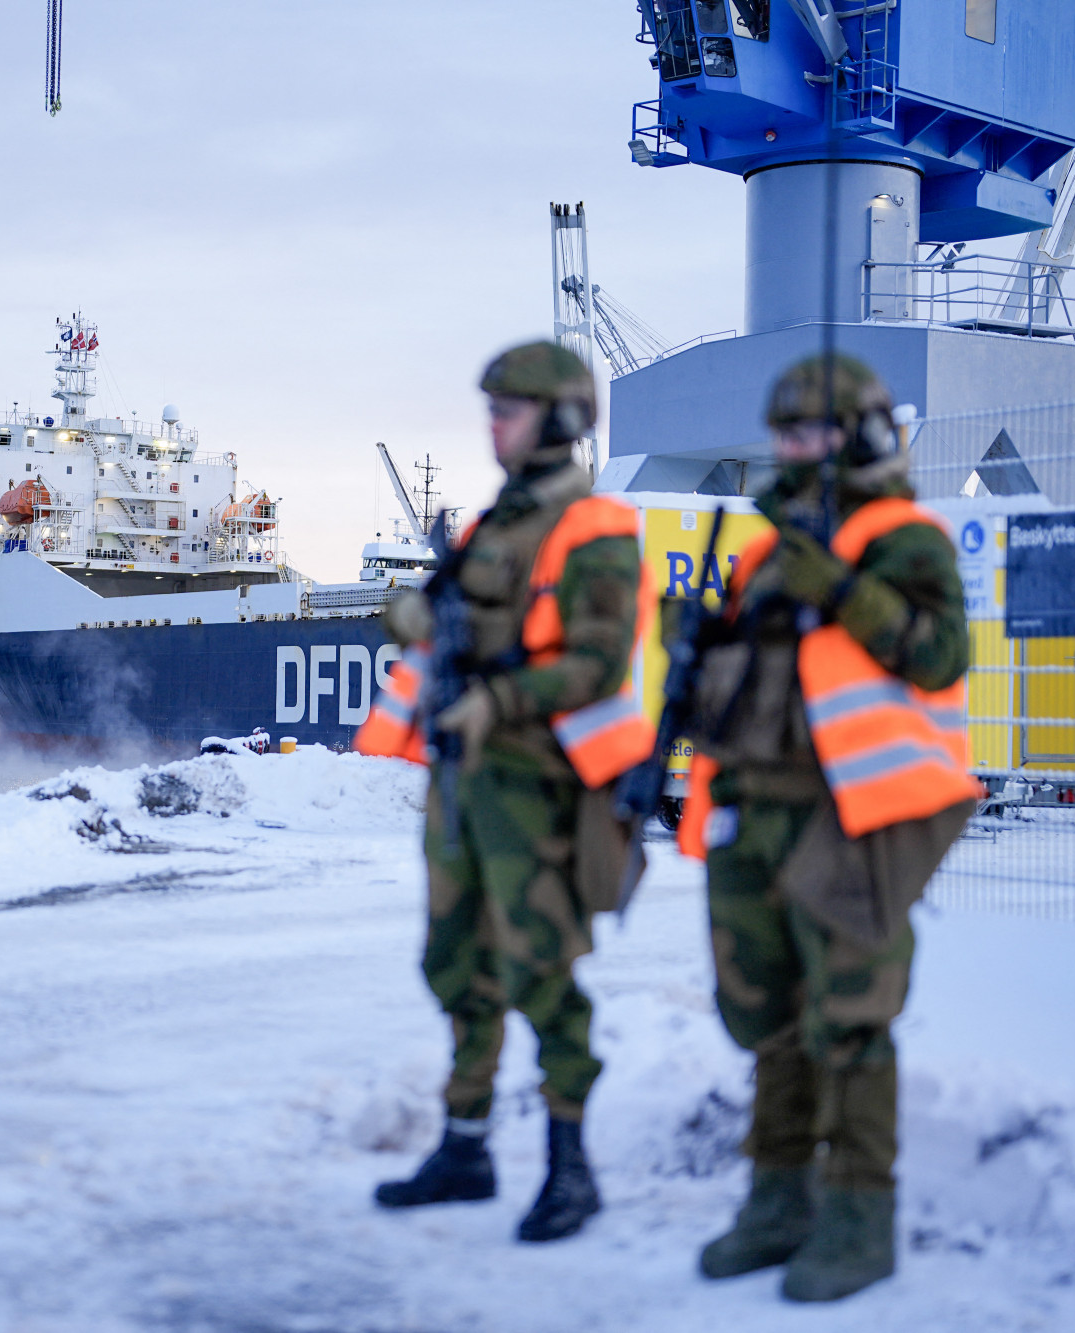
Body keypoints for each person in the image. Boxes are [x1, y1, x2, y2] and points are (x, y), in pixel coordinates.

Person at [676, 354, 977, 1301]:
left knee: (849, 1017)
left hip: (849, 813)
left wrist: (844, 589)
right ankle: (777, 1200)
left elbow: (939, 654)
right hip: (756, 807)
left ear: (862, 434)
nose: (791, 448)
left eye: (809, 430)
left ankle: (858, 1217)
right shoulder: (766, 549)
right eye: (783, 431)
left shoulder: (904, 538)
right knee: (768, 1017)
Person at [354, 341, 656, 1243]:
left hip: (538, 787)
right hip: (463, 782)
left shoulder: (594, 527)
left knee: (541, 972)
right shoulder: (493, 525)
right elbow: (444, 615)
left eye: (509, 409)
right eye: (490, 408)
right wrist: (411, 612)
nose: (493, 424)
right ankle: (466, 1146)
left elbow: (599, 662)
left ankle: (571, 1166)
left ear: (560, 417)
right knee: (457, 964)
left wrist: (499, 700)